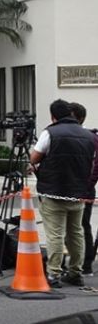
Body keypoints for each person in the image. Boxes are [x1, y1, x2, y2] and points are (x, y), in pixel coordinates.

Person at [30, 99, 96, 288]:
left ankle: (54, 274)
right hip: (78, 193)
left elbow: (34, 157)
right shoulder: (88, 135)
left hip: (54, 192)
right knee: (76, 233)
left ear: (53, 116)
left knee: (55, 234)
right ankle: (76, 272)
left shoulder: (50, 132)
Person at [70, 102, 98, 275]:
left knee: (82, 225)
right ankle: (75, 262)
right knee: (68, 227)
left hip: (84, 190)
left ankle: (86, 263)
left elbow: (95, 167)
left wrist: (87, 185)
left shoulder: (91, 138)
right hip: (67, 189)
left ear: (80, 118)